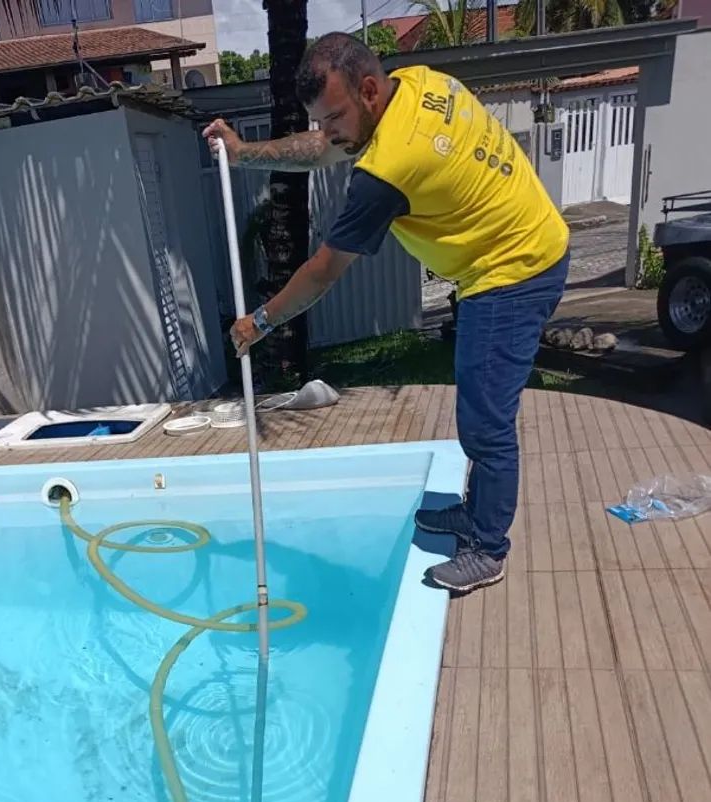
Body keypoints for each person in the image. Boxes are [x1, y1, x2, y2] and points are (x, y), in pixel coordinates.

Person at [203, 33, 570, 595]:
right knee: (481, 407)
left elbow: (324, 271)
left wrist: (260, 322)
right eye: (322, 120)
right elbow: (323, 147)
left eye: (335, 118)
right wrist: (244, 152)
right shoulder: (419, 83)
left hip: (513, 271)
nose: (328, 133)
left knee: (486, 421)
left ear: (368, 90)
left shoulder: (390, 167)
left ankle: (488, 547)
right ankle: (476, 514)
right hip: (517, 249)